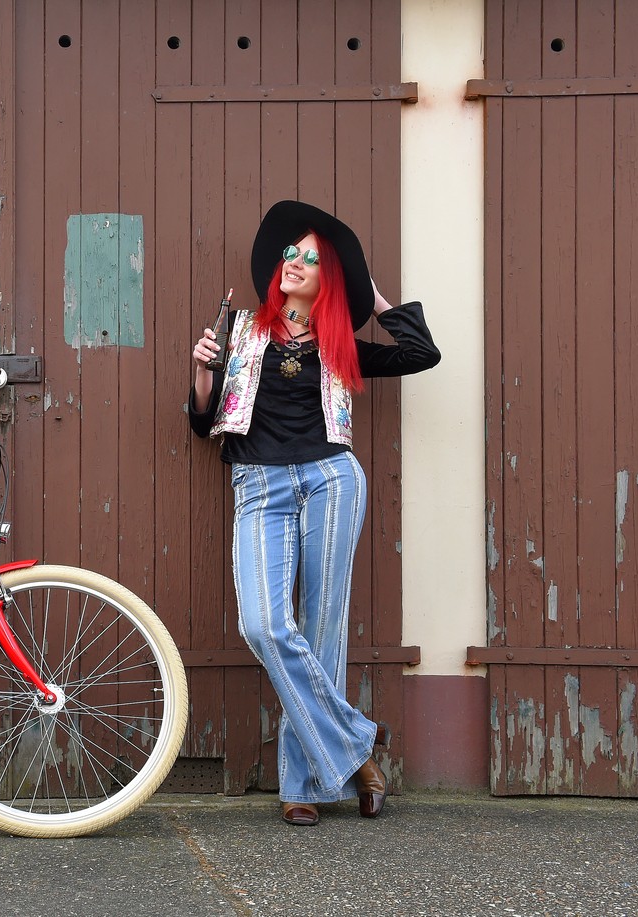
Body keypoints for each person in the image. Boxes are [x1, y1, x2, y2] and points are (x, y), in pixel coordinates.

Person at [187, 200, 440, 826]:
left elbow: (420, 352)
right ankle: (358, 747)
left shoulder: (341, 347)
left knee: (325, 630)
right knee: (267, 626)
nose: (295, 263)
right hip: (259, 484)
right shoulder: (242, 332)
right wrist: (200, 372)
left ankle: (303, 786)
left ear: (330, 278)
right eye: (290, 254)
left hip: (330, 480)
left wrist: (373, 296)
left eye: (311, 258)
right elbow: (201, 421)